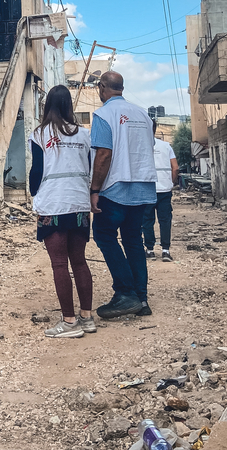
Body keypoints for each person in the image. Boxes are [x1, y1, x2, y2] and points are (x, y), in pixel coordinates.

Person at [89, 71, 158, 318]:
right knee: (133, 240)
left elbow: (103, 155)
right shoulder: (143, 115)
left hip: (115, 187)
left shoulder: (103, 114)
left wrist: (94, 189)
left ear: (102, 87)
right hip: (143, 186)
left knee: (104, 235)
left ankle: (125, 292)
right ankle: (141, 299)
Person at [29, 85, 96, 338]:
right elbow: (89, 167)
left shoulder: (40, 134)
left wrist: (35, 193)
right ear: (69, 105)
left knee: (59, 264)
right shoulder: (84, 135)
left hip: (53, 205)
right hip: (79, 204)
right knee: (79, 261)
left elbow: (36, 171)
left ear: (48, 105)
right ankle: (87, 317)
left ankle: (69, 323)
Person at [144, 119, 179, 262]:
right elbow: (175, 167)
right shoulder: (166, 146)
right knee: (165, 220)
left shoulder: (140, 146)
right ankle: (165, 250)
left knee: (147, 221)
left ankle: (150, 250)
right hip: (164, 189)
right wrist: (171, 181)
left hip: (147, 188)